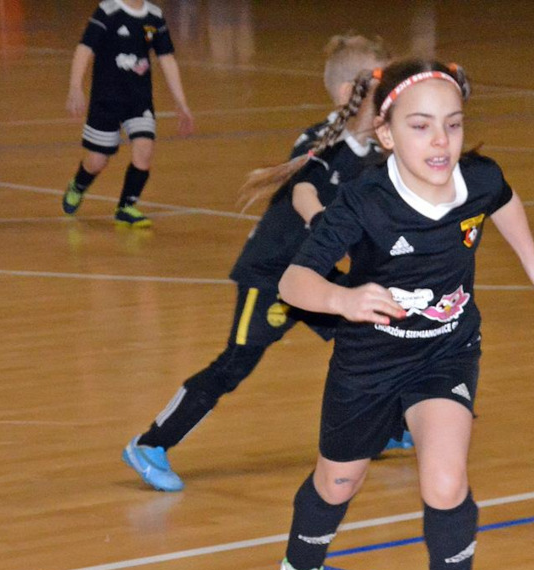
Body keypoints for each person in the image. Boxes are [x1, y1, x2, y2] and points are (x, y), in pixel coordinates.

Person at [269, 59, 534, 570]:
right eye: (421, 126)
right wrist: (343, 300)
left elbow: (503, 199)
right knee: (337, 482)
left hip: (446, 350)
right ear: (386, 134)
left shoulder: (479, 178)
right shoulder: (364, 201)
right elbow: (293, 281)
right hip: (370, 360)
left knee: (446, 480)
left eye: (452, 124)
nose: (441, 141)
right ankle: (300, 569)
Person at [121, 35, 392, 492]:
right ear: (351, 92)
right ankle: (150, 444)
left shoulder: (376, 152)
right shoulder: (322, 140)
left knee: (373, 334)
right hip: (272, 273)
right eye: (382, 81)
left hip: (314, 272)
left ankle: (387, 426)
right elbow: (303, 191)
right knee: (235, 364)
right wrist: (326, 226)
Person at [62, 0, 195, 227]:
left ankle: (126, 206)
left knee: (145, 149)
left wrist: (181, 103)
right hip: (106, 99)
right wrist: (75, 87)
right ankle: (79, 184)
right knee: (97, 161)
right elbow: (85, 48)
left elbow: (166, 58)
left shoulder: (154, 16)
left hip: (139, 100)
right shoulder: (108, 11)